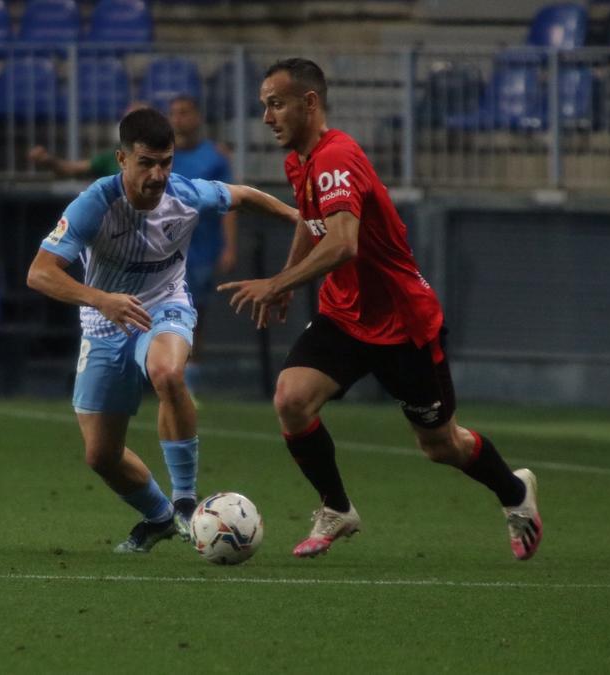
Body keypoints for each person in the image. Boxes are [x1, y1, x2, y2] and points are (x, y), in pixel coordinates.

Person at [218, 58, 543, 561]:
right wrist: (287, 281)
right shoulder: (300, 160)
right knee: (291, 399)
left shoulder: (336, 159)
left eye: (276, 104)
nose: (267, 117)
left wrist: (276, 282)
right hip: (345, 315)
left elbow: (344, 244)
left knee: (441, 446)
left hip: (402, 325)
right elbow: (311, 221)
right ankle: (337, 509)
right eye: (264, 106)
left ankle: (515, 493)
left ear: (310, 103)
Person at [27, 108, 298, 553]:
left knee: (168, 373)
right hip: (103, 320)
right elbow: (39, 273)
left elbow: (245, 196)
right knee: (101, 457)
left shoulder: (187, 194)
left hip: (164, 307)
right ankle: (159, 517)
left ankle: (186, 503)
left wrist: (302, 219)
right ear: (121, 159)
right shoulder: (94, 204)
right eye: (146, 163)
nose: (157, 174)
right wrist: (102, 299)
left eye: (166, 162)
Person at [165, 95, 238, 399]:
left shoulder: (215, 157)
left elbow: (230, 202)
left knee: (196, 317)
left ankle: (187, 382)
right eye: (174, 114)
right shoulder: (163, 156)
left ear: (197, 116)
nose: (178, 119)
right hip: (166, 247)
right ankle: (164, 373)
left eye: (184, 112)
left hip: (202, 247)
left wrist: (229, 246)